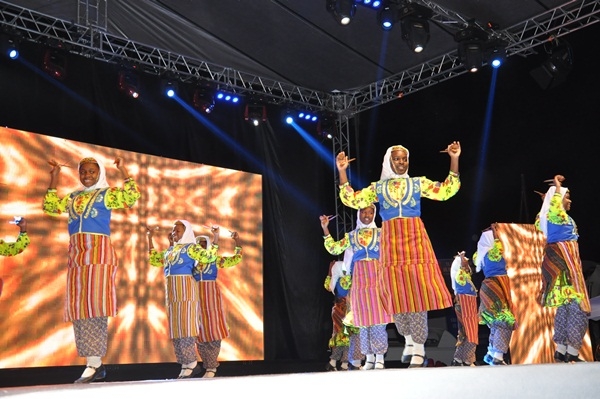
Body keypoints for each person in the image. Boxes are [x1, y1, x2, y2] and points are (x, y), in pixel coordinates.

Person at [336, 142, 461, 367]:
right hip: (391, 239)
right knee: (397, 291)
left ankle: (419, 347)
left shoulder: (417, 183)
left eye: (404, 159)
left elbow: (446, 191)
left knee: (418, 290)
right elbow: (351, 200)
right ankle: (409, 340)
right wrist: (342, 171)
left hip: (415, 236)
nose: (401, 163)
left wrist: (454, 158)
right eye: (397, 159)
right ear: (389, 162)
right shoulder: (379, 188)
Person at [43, 157, 140, 383]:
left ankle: (94, 364)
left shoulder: (107, 194)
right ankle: (93, 363)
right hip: (76, 254)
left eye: (92, 172)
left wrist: (123, 169)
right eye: (83, 171)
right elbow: (50, 206)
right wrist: (55, 177)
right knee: (80, 308)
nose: (87, 175)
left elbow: (132, 196)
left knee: (94, 305)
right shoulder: (73, 197)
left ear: (100, 173)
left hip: (98, 253)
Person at [320, 204, 391, 370]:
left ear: (374, 214)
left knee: (378, 316)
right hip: (359, 277)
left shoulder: (382, 233)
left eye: (371, 212)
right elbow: (334, 248)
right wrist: (325, 228)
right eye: (364, 212)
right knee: (363, 319)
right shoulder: (352, 235)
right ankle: (369, 357)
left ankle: (380, 356)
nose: (367, 215)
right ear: (359, 214)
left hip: (376, 276)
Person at [148, 220, 220, 378]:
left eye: (178, 230)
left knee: (186, 326)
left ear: (186, 232)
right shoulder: (170, 251)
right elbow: (154, 260)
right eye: (173, 230)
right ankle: (185, 363)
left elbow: (208, 257)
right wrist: (149, 238)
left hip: (186, 291)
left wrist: (215, 237)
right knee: (177, 328)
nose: (174, 233)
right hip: (172, 293)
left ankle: (192, 362)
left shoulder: (191, 248)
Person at [537, 174, 590, 363]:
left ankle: (561, 349)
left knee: (565, 308)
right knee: (578, 308)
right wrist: (557, 188)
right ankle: (573, 351)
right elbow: (553, 210)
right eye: (567, 196)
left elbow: (543, 216)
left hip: (560, 264)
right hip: (565, 265)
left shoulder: (553, 217)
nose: (570, 199)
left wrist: (549, 199)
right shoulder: (557, 216)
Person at [193, 230, 242, 378]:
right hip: (195, 297)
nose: (201, 247)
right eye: (198, 245)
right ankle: (208, 365)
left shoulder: (214, 260)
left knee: (213, 328)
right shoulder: (192, 263)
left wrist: (237, 241)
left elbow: (236, 259)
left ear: (208, 246)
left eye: (203, 244)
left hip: (211, 295)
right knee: (198, 331)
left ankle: (212, 367)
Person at [473, 223, 516, 366]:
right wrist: (495, 232)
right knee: (504, 320)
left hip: (492, 285)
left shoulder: (482, 255)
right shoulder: (492, 252)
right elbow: (498, 246)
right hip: (495, 285)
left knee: (497, 323)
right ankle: (497, 355)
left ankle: (491, 354)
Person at [323, 259, 359, 371]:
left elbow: (327, 286)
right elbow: (350, 283)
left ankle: (333, 362)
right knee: (349, 337)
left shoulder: (335, 281)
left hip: (337, 309)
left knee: (340, 337)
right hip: (346, 310)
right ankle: (344, 364)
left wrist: (330, 273)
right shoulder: (345, 280)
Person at [449, 251, 478, 366]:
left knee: (465, 332)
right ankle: (468, 359)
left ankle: (459, 358)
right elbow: (462, 271)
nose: (467, 264)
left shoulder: (463, 278)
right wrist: (461, 259)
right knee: (471, 331)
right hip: (465, 303)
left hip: (466, 303)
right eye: (465, 262)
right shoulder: (460, 277)